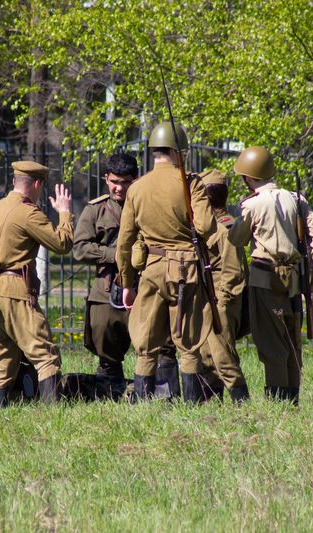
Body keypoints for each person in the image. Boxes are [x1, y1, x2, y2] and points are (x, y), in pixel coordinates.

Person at [116, 121, 218, 403]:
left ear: (154, 152)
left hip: (150, 271)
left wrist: (127, 283)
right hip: (185, 272)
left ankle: (143, 402)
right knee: (188, 343)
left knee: (146, 344)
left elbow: (124, 242)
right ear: (178, 152)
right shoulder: (190, 183)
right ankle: (192, 405)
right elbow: (208, 226)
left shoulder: (136, 188)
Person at [0, 160, 73, 407]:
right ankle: (54, 415)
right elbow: (62, 244)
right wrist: (64, 212)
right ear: (36, 184)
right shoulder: (28, 213)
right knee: (45, 355)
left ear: (14, 182)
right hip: (16, 293)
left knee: (2, 358)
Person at [73, 153, 180, 399]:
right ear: (106, 179)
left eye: (125, 182)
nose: (119, 188)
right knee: (106, 345)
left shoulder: (149, 204)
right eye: (114, 182)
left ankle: (166, 396)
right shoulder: (95, 211)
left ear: (136, 179)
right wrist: (118, 255)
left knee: (161, 344)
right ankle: (110, 394)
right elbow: (80, 248)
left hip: (148, 284)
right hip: (108, 287)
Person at [228, 147, 313, 405]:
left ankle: (277, 404)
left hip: (265, 277)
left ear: (248, 178)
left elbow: (236, 239)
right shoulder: (296, 199)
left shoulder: (252, 204)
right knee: (293, 342)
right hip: (295, 279)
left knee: (271, 343)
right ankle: (291, 400)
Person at [196, 169, 250, 403]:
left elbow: (233, 269)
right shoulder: (209, 225)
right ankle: (210, 401)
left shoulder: (224, 227)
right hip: (209, 295)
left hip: (220, 298)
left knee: (222, 355)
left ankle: (242, 402)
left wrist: (223, 300)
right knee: (207, 355)